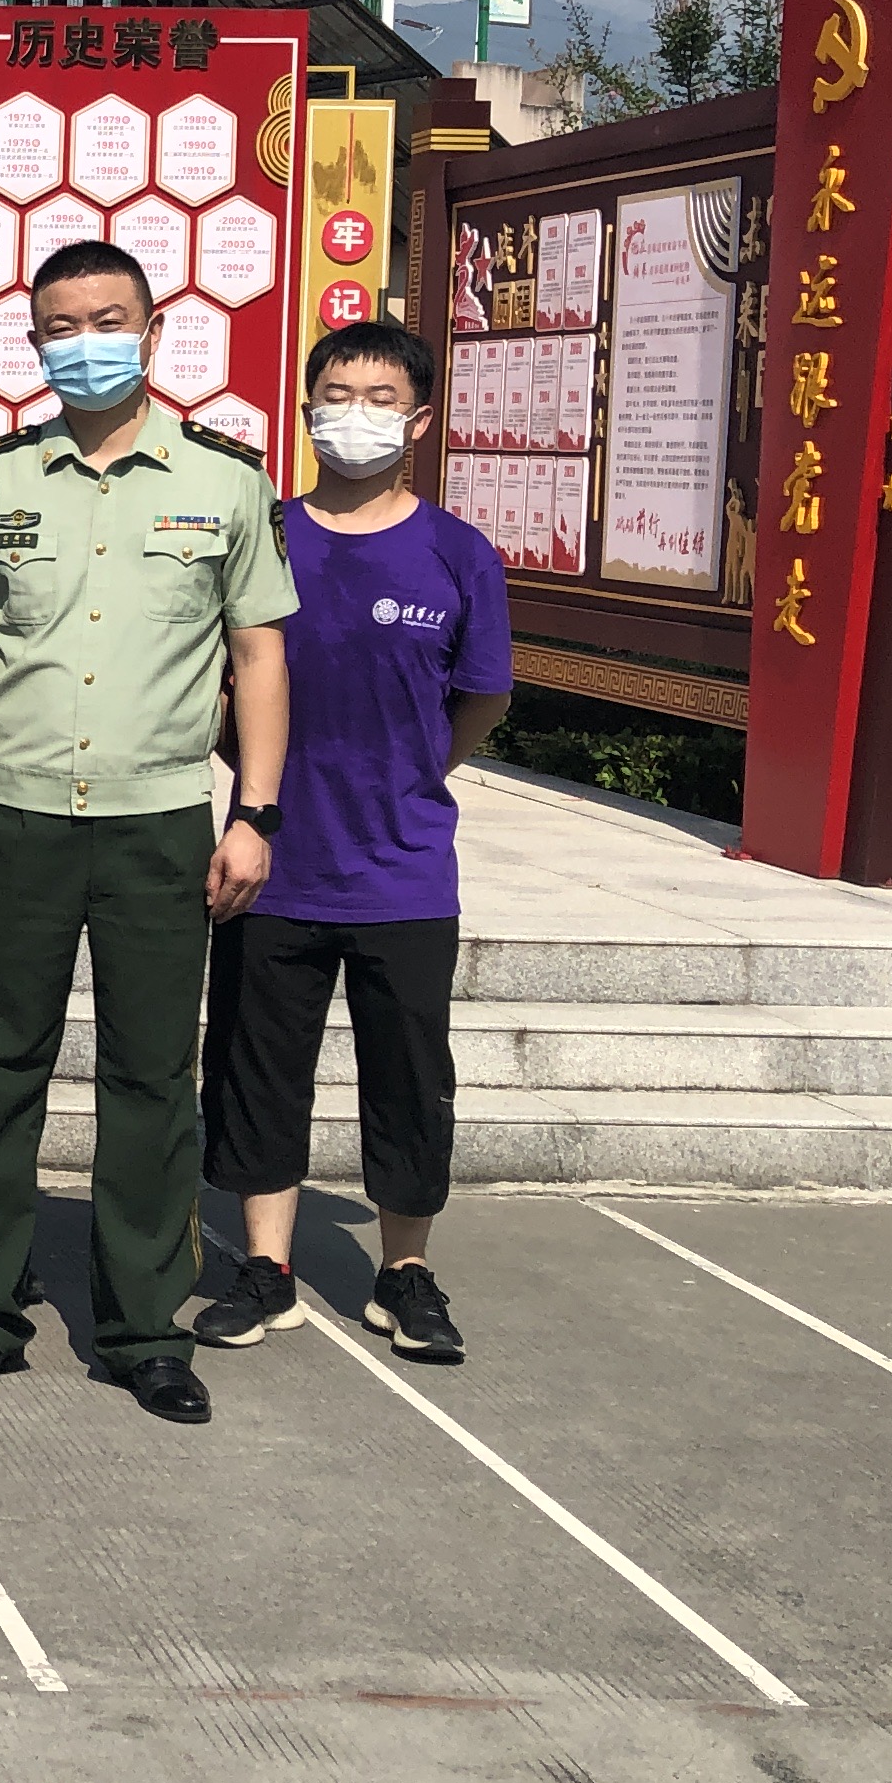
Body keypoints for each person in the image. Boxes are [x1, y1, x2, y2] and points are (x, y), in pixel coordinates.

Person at [0, 240, 294, 1428]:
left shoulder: (226, 484)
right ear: (35, 342)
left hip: (158, 824)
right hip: (12, 816)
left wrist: (254, 813)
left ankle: (143, 1328)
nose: (85, 343)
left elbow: (258, 657)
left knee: (151, 1077)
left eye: (108, 320)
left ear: (154, 329)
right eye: (61, 325)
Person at [192, 320, 508, 1365]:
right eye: (336, 395)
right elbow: (221, 686)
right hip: (271, 861)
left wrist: (416, 773)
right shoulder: (265, 534)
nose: (355, 416)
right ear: (306, 409)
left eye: (381, 399)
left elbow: (482, 697)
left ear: (419, 422)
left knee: (409, 1077)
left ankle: (404, 1271)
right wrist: (255, 788)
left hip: (403, 870)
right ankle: (265, 1267)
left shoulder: (457, 553)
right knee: (257, 1069)